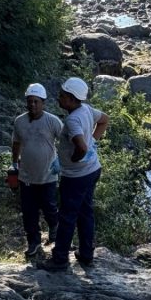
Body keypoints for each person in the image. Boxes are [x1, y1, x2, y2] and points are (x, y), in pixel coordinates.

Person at [40, 77, 109, 271]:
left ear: (71, 99)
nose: (58, 98)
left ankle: (60, 259)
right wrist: (93, 143)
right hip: (92, 170)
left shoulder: (72, 120)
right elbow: (104, 120)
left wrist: (77, 157)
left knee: (67, 216)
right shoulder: (86, 109)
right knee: (86, 212)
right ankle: (86, 254)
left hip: (76, 176)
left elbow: (80, 145)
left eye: (62, 95)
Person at [11, 83, 64, 261]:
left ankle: (54, 228)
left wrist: (61, 160)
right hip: (26, 175)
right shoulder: (20, 121)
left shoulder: (53, 121)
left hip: (48, 174)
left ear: (43, 103)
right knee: (29, 211)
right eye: (30, 101)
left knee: (49, 206)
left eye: (36, 101)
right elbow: (16, 143)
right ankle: (33, 242)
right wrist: (13, 163)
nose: (32, 104)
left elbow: (65, 141)